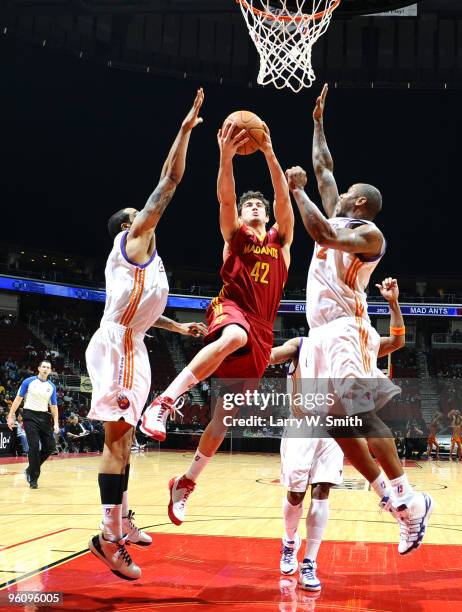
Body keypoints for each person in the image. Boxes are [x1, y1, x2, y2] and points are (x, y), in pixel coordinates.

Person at [284, 83, 433, 556]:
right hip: (323, 332)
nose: (339, 192)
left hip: (347, 328)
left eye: (347, 193)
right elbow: (325, 167)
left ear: (362, 204)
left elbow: (321, 230)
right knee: (337, 424)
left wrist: (296, 193)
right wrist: (317, 121)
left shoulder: (368, 234)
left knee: (358, 414)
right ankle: (392, 498)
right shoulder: (340, 209)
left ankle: (408, 494)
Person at [141, 117, 294, 526]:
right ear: (242, 218)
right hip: (232, 308)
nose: (255, 208)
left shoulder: (282, 242)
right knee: (233, 335)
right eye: (250, 206)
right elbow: (225, 201)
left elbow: (283, 199)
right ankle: (164, 401)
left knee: (225, 416)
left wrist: (269, 152)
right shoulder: (236, 237)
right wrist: (225, 156)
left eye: (258, 205)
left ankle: (186, 482)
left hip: (263, 329)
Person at [85, 89, 207, 581]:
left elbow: (144, 313)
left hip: (132, 342)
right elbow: (170, 181)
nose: (149, 215)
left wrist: (178, 325)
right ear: (128, 227)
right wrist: (184, 131)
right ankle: (108, 537)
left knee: (125, 439)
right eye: (141, 213)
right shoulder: (133, 242)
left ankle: (124, 520)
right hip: (118, 348)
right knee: (116, 443)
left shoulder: (145, 265)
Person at [271, 277, 406, 591]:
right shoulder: (300, 344)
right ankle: (289, 542)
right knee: (295, 494)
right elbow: (271, 355)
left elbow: (396, 343)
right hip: (301, 427)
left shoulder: (351, 345)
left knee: (322, 492)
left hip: (335, 426)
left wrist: (393, 303)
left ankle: (310, 561)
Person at [6, 360, 59, 489]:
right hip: (29, 416)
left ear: (50, 371)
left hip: (44, 417)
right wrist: (10, 416)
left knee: (51, 446)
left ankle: (30, 469)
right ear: (39, 368)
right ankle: (33, 478)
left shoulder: (52, 386)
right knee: (34, 446)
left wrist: (56, 423)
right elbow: (18, 399)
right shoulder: (28, 381)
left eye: (48, 367)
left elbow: (53, 406)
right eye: (44, 367)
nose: (46, 369)